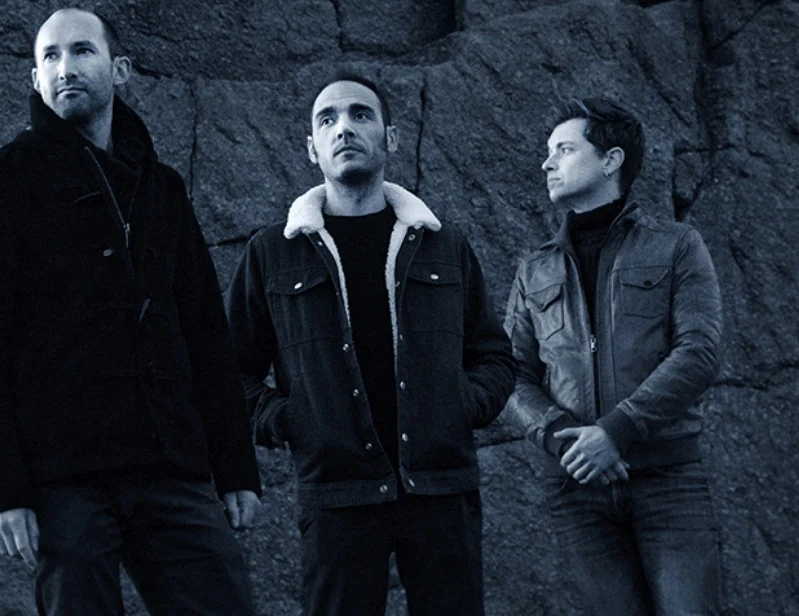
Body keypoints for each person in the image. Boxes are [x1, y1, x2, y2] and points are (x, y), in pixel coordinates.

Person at [0, 8, 262, 615]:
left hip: (169, 462)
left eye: (82, 50)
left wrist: (235, 468)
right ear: (35, 78)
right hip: (63, 476)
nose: (65, 67)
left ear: (119, 69)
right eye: (50, 56)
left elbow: (205, 333)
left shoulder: (162, 187)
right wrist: (3, 492)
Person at [226, 75, 515, 616]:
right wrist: (290, 420)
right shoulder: (273, 253)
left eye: (361, 114)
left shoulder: (442, 243)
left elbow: (494, 355)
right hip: (336, 493)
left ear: (392, 137)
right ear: (311, 148)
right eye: (328, 119)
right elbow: (229, 372)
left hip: (441, 488)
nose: (344, 129)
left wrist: (462, 403)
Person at [504, 98, 724, 615]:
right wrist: (565, 440)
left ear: (611, 159)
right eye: (548, 152)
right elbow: (508, 374)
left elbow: (699, 351)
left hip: (668, 481)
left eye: (564, 149)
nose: (547, 163)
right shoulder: (533, 269)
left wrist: (617, 431)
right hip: (576, 491)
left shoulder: (678, 245)